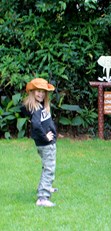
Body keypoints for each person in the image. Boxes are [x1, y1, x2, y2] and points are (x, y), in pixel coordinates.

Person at [22, 78, 58, 207]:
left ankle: (45, 186)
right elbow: (36, 126)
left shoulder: (39, 106)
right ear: (32, 92)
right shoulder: (36, 109)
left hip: (43, 145)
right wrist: (45, 137)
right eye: (38, 91)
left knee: (46, 166)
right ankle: (42, 198)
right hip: (46, 145)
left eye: (43, 92)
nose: (41, 94)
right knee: (49, 168)